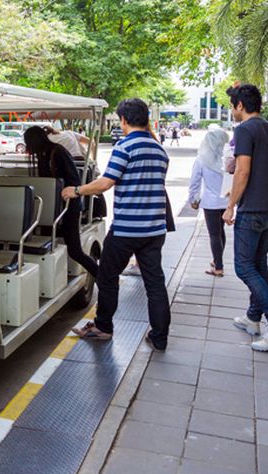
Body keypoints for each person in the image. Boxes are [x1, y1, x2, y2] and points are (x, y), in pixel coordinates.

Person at [66, 98, 170, 350]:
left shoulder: (125, 146)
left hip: (126, 229)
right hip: (155, 229)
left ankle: (103, 327)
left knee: (107, 275)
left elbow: (106, 182)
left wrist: (76, 190)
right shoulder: (159, 149)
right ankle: (159, 337)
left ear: (124, 120)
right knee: (155, 283)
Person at [223, 84, 268, 351]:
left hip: (252, 208)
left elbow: (242, 170)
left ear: (240, 106)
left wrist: (231, 206)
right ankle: (254, 318)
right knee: (258, 263)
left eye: (232, 106)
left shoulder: (244, 130)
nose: (232, 111)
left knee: (244, 266)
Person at [23, 126, 98, 278]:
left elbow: (74, 180)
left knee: (75, 251)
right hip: (55, 207)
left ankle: (103, 276)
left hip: (69, 208)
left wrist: (66, 191)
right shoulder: (45, 153)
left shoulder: (57, 152)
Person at [188, 127, 230, 277]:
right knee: (221, 231)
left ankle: (218, 267)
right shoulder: (229, 158)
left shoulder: (201, 159)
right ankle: (216, 260)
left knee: (214, 234)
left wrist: (193, 199)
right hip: (227, 202)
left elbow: (195, 182)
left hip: (210, 203)